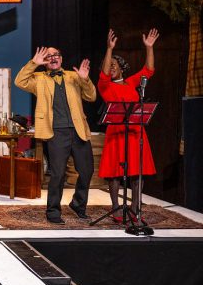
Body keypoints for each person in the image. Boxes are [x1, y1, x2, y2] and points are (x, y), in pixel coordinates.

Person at [15, 46, 96, 224]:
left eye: (56, 55)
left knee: (87, 170)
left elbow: (91, 96)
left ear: (61, 58)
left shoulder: (74, 76)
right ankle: (53, 211)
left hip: (78, 130)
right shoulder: (38, 78)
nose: (53, 58)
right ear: (45, 60)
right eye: (49, 56)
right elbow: (19, 81)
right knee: (58, 174)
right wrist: (32, 64)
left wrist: (85, 79)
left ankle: (78, 204)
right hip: (56, 133)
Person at [98, 29, 158, 222]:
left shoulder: (132, 83)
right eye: (109, 65)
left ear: (122, 67)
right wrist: (109, 49)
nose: (111, 68)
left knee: (137, 172)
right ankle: (116, 207)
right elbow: (105, 74)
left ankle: (135, 207)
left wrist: (149, 47)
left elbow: (149, 70)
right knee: (115, 173)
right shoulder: (105, 85)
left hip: (135, 133)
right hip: (116, 132)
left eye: (114, 65)